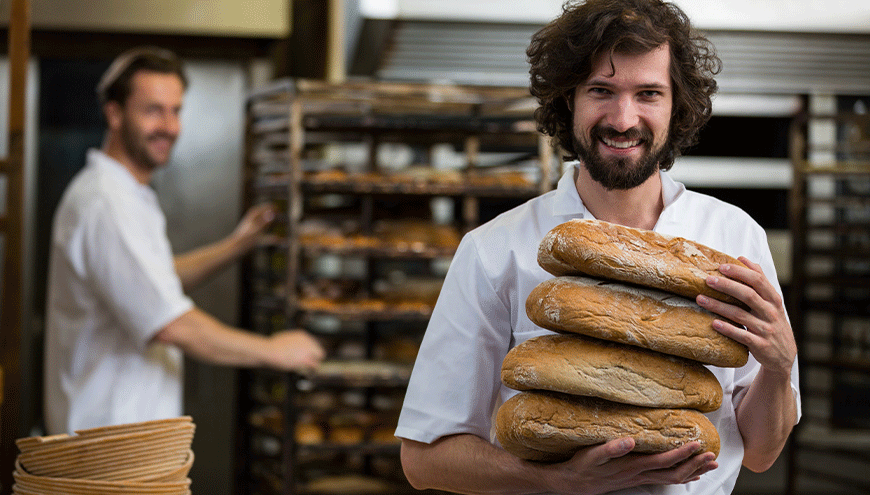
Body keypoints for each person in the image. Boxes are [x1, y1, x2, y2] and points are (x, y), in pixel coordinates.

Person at [395, 0, 800, 493]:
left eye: (649, 93)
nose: (624, 119)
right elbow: (424, 459)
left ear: (678, 104)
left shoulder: (735, 238)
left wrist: (779, 368)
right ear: (569, 101)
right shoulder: (496, 249)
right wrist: (554, 481)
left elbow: (760, 453)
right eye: (601, 91)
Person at [44, 46, 326, 435]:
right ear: (114, 113)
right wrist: (273, 350)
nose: (170, 126)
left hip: (123, 442)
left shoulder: (126, 194)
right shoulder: (105, 203)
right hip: (107, 448)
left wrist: (236, 245)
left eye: (176, 110)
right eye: (153, 110)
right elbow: (170, 324)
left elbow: (150, 281)